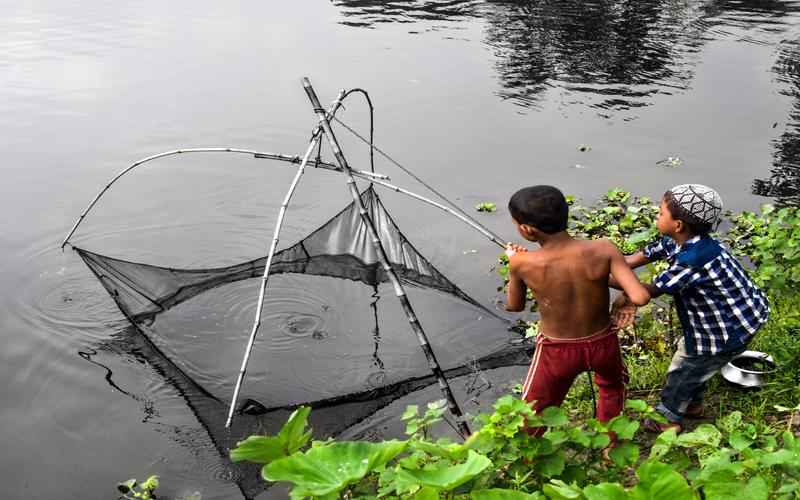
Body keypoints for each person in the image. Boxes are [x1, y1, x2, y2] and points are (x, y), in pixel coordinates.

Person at [611, 184, 769, 432]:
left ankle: (668, 418)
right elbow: (631, 261)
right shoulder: (676, 241)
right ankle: (693, 405)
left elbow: (642, 294)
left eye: (661, 213)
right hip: (730, 316)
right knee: (697, 366)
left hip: (728, 328)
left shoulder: (694, 260)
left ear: (678, 225)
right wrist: (609, 261)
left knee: (684, 370)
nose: (656, 215)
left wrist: (595, 275)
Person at [504, 185, 650, 426]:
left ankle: (528, 454)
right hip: (603, 343)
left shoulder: (522, 263)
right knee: (613, 387)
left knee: (535, 408)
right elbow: (641, 297)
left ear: (526, 230)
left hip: (557, 351)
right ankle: (610, 443)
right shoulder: (604, 248)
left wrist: (515, 262)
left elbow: (515, 306)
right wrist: (624, 299)